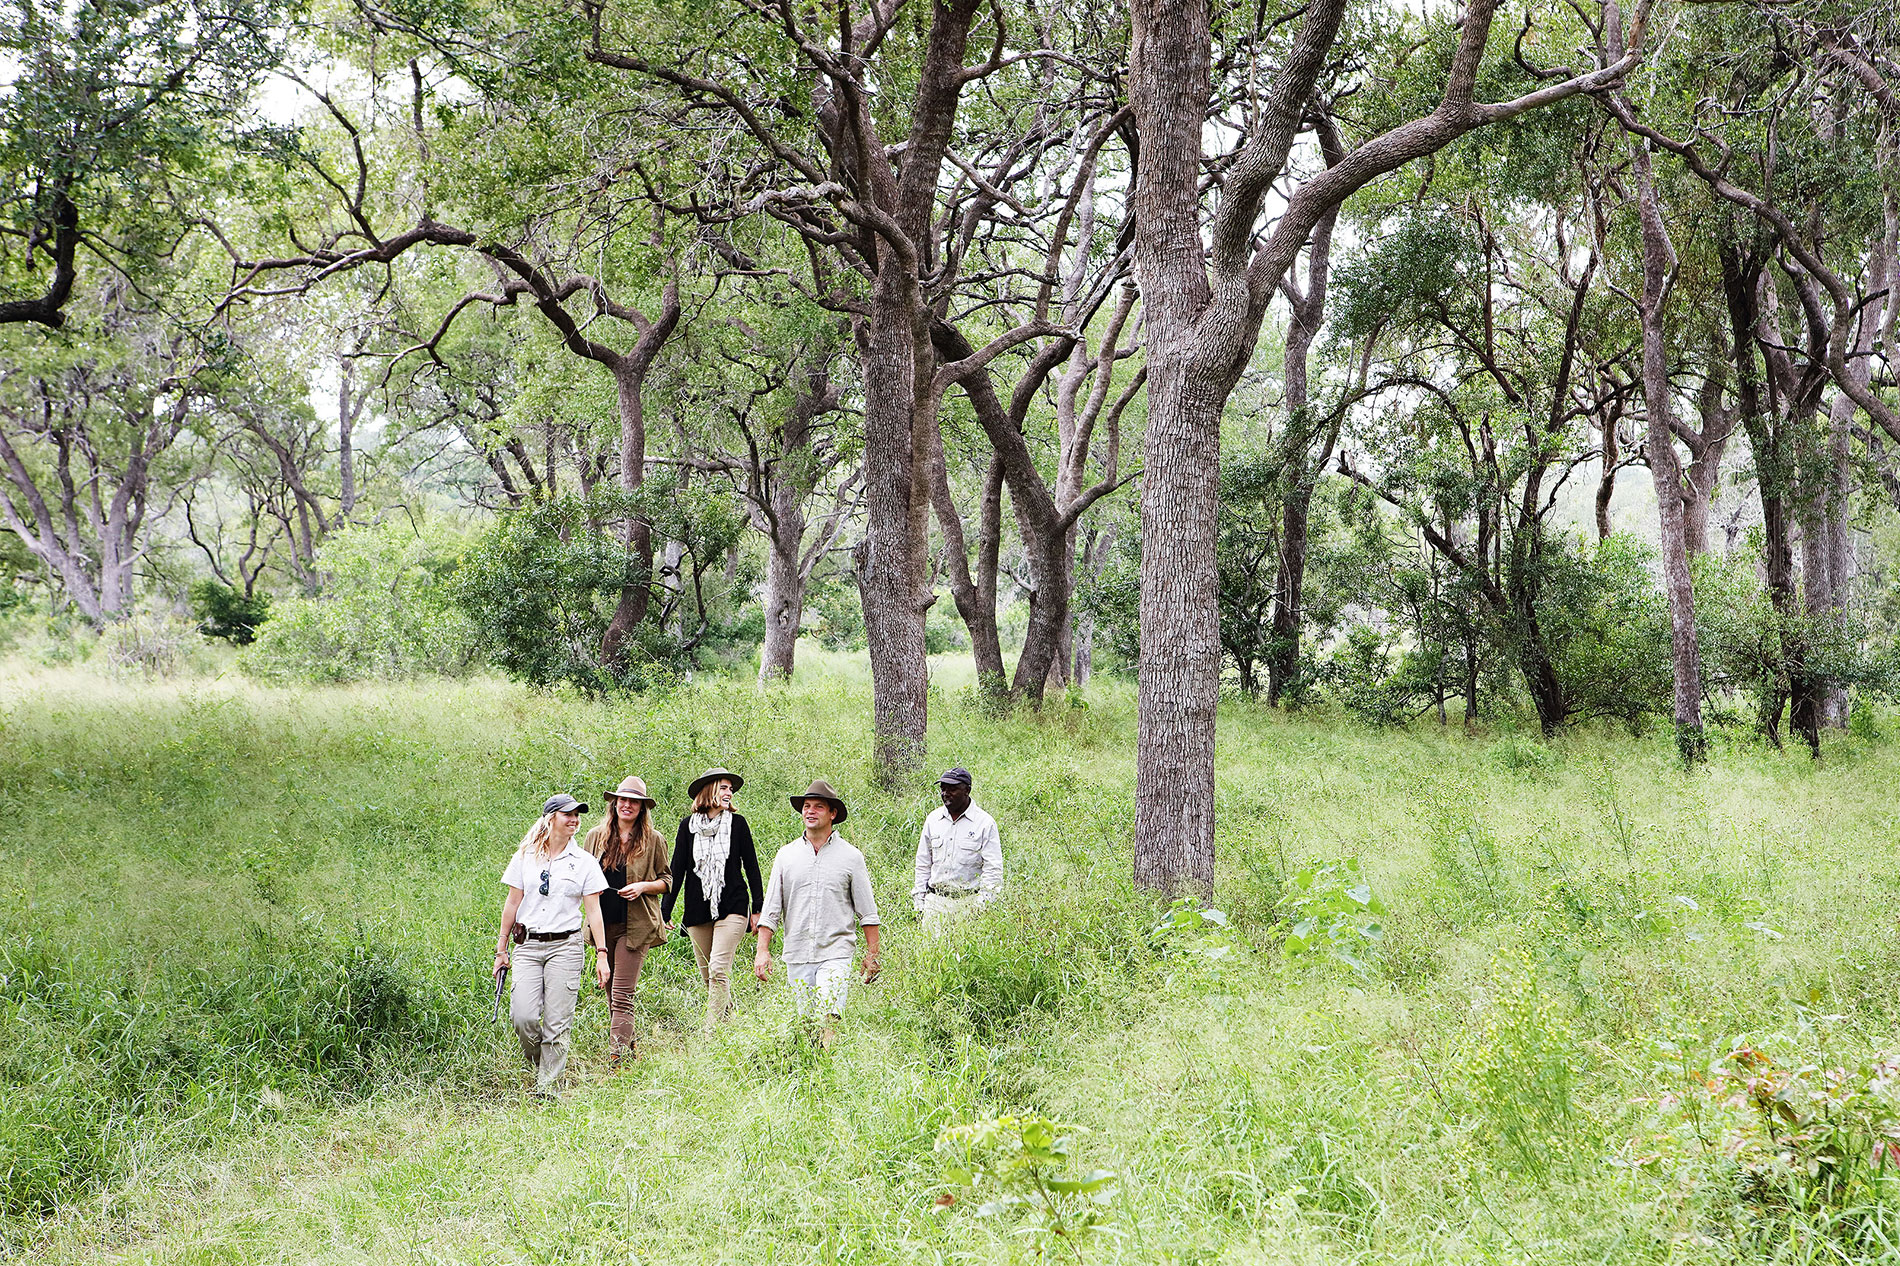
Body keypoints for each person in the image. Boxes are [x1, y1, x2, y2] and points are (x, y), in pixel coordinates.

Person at [494, 793, 610, 1100]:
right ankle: (541, 1066)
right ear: (550, 819)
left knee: (557, 1024)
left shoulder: (584, 862)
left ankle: (548, 1092)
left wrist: (602, 954)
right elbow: (512, 902)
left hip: (566, 946)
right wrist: (501, 949)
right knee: (524, 1017)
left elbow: (593, 911)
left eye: (577, 815)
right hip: (528, 945)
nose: (574, 819)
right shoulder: (525, 857)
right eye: (567, 814)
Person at [754, 779, 880, 1039]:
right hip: (797, 952)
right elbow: (771, 910)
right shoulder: (785, 856)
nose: (810, 811)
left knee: (829, 1014)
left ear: (832, 814)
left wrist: (872, 954)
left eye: (818, 807)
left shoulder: (851, 857)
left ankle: (828, 1065)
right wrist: (762, 951)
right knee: (804, 1023)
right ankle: (811, 1072)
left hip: (836, 952)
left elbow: (867, 912)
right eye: (806, 806)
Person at [662, 767, 763, 1032]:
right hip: (698, 910)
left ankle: (709, 1034)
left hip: (733, 907)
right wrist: (665, 910)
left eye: (731, 789)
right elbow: (678, 868)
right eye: (724, 787)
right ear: (709, 791)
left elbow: (752, 867)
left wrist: (758, 910)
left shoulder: (738, 825)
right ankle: (731, 1027)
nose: (729, 792)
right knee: (710, 977)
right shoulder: (688, 826)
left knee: (719, 969)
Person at [584, 776, 670, 1067]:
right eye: (623, 800)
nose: (627, 805)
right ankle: (630, 1047)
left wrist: (643, 887)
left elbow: (667, 880)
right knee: (611, 995)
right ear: (614, 803)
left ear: (642, 808)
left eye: (634, 801)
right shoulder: (596, 836)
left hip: (636, 926)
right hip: (601, 925)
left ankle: (616, 1063)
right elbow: (583, 878)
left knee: (621, 995)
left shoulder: (654, 840)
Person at [911, 766, 1003, 927]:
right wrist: (920, 902)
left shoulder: (984, 823)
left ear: (967, 790)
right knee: (932, 952)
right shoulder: (933, 820)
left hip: (969, 904)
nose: (946, 794)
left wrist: (980, 907)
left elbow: (993, 869)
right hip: (935, 904)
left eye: (952, 789)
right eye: (943, 789)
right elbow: (923, 863)